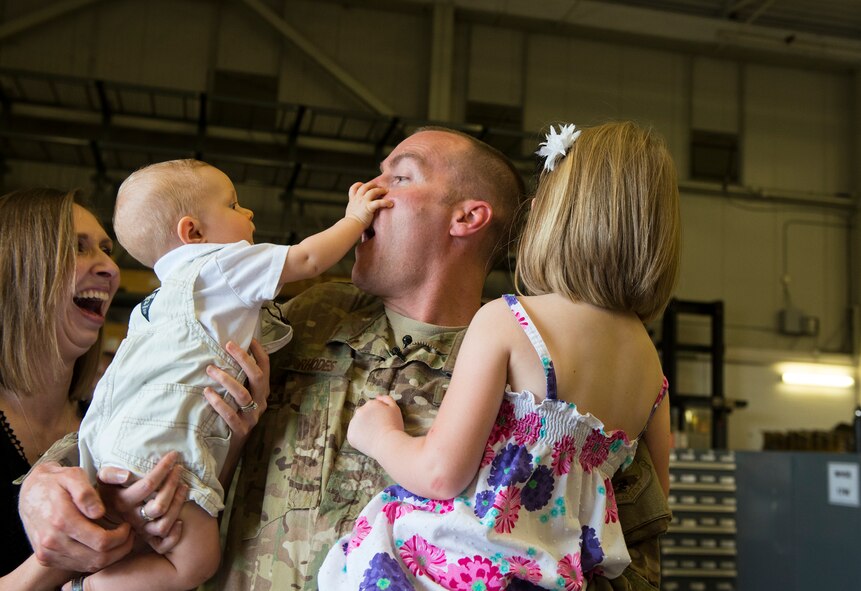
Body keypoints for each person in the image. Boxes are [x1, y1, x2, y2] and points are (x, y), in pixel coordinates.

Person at [19, 127, 672, 591]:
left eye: (399, 175)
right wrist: (46, 490)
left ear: (467, 216)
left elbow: (631, 552)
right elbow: (145, 393)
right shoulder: (287, 320)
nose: (368, 187)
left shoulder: (539, 363)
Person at [317, 121, 677, 589]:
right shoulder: (651, 369)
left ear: (555, 214)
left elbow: (440, 474)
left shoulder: (511, 320)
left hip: (465, 567)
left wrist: (378, 435)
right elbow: (652, 510)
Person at [64, 159, 391, 591]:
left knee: (145, 546)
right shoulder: (221, 265)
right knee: (197, 561)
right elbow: (309, 259)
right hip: (167, 443)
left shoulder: (157, 302)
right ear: (193, 233)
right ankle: (91, 588)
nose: (250, 213)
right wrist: (354, 219)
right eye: (234, 204)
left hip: (115, 442)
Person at [0, 188, 262, 590]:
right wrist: (68, 551)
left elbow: (186, 550)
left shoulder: (117, 412)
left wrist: (226, 432)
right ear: (16, 266)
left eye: (107, 250)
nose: (109, 267)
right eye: (78, 247)